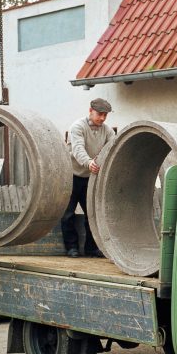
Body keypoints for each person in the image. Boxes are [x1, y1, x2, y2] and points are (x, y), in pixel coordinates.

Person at [61, 97, 115, 258]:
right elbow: (78, 149)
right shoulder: (77, 127)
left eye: (105, 115)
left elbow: (112, 149)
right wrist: (89, 162)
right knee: (67, 214)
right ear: (90, 111)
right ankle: (71, 248)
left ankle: (91, 248)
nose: (103, 118)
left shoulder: (108, 131)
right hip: (71, 176)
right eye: (100, 114)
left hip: (91, 178)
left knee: (92, 214)